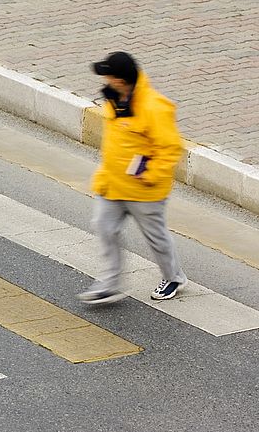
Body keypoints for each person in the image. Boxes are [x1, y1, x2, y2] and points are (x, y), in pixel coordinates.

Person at [77, 51, 188, 305]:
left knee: (156, 238)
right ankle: (109, 283)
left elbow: (171, 148)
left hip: (143, 190)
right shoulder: (113, 101)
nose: (105, 81)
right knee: (104, 228)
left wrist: (149, 175)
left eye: (108, 76)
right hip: (112, 184)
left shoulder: (154, 107)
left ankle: (174, 277)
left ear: (120, 80)